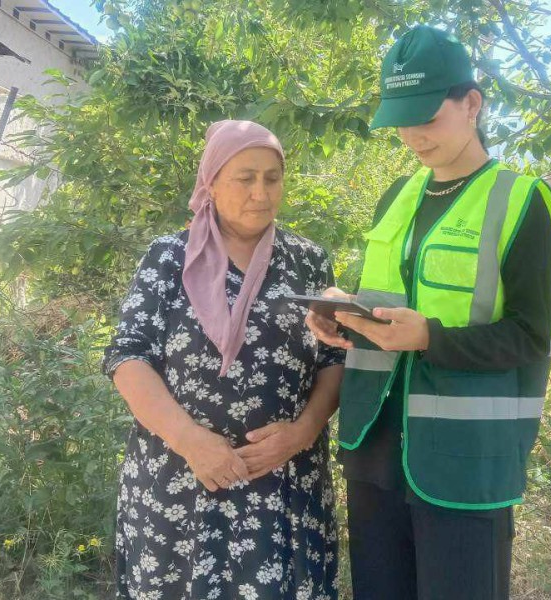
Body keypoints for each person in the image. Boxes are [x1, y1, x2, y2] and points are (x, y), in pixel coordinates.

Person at [306, 26, 551, 600]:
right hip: (375, 449)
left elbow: (529, 337)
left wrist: (430, 338)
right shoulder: (397, 195)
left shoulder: (521, 200)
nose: (413, 135)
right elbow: (388, 305)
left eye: (427, 116)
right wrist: (343, 315)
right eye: (401, 119)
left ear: (471, 103)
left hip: (465, 461)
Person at [103, 120, 344, 600]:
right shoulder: (169, 257)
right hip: (179, 482)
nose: (261, 191)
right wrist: (191, 440)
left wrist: (302, 433)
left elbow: (333, 361)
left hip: (282, 486)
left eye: (272, 177)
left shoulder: (307, 261)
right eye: (245, 177)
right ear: (211, 182)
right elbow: (128, 357)